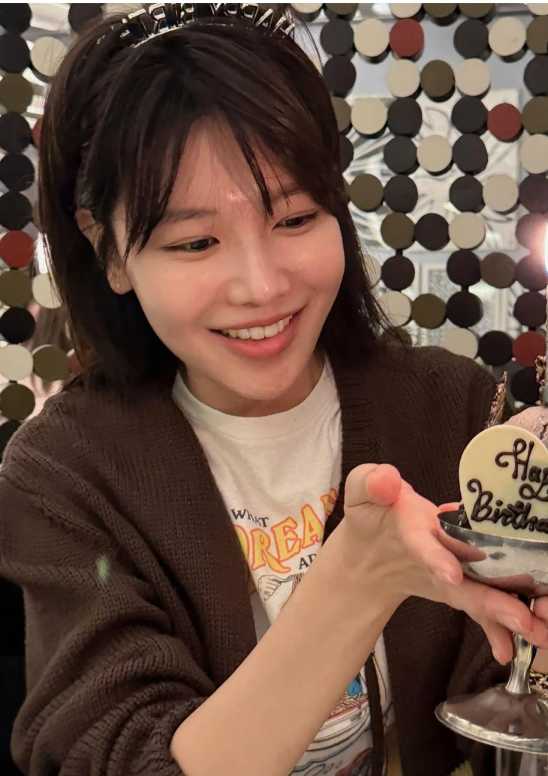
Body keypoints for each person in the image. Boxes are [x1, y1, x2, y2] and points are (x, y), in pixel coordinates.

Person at [0, 4, 547, 776]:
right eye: (195, 242)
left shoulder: (449, 407)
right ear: (110, 252)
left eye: (294, 219)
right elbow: (112, 754)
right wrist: (356, 583)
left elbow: (499, 701)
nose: (261, 286)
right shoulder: (66, 474)